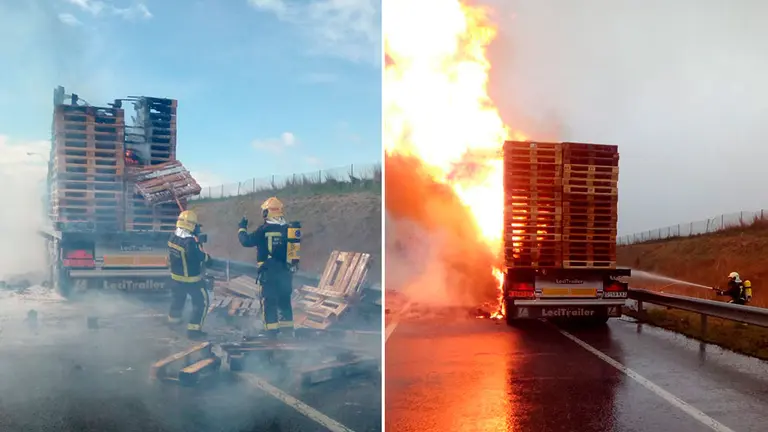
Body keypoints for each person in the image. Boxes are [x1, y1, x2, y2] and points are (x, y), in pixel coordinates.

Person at [238, 197, 295, 339]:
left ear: (266, 213)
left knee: (269, 302)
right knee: (284, 301)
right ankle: (288, 332)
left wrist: (242, 227)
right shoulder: (289, 229)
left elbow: (245, 241)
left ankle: (271, 333)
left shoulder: (263, 230)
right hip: (286, 273)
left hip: (268, 273)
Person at [167, 210, 211, 339]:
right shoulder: (190, 243)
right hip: (192, 280)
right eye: (196, 225)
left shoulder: (172, 237)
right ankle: (194, 331)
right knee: (201, 302)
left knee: (178, 300)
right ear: (191, 225)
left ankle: (173, 322)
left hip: (175, 279)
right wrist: (207, 258)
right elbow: (197, 257)